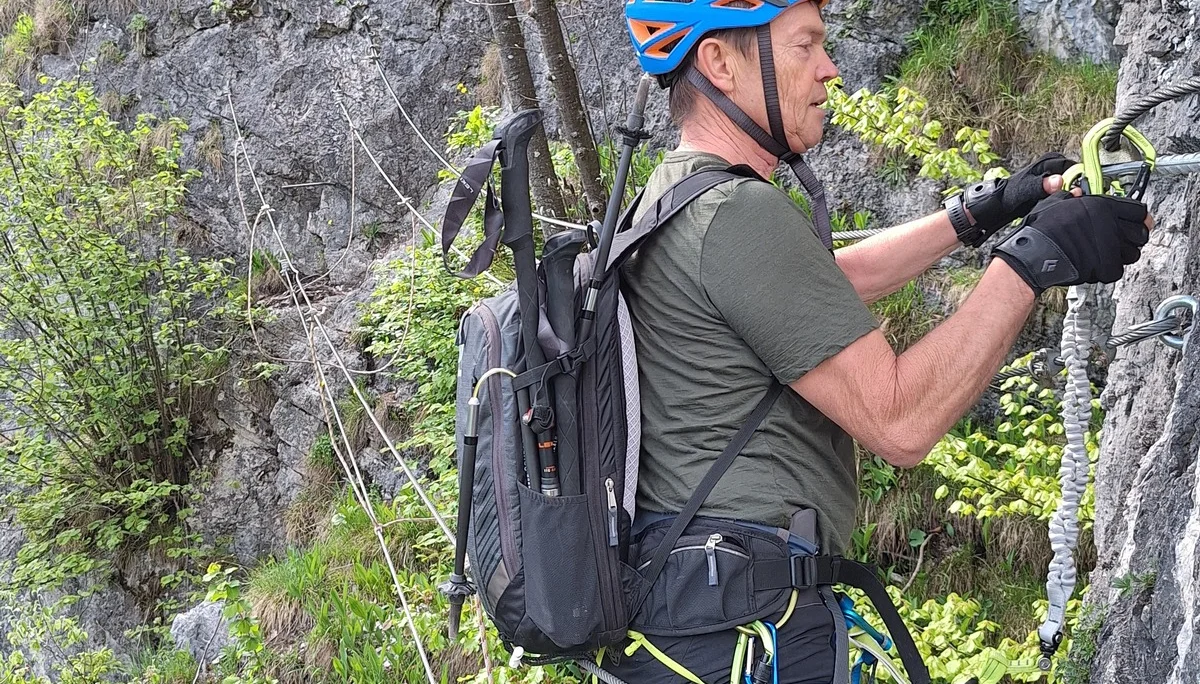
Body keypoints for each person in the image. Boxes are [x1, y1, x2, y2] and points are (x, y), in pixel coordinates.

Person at [608, 0, 1153, 681]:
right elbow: (900, 421)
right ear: (721, 62)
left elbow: (820, 286)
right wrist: (1033, 258)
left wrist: (979, 214)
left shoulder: (673, 197)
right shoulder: (736, 212)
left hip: (693, 613)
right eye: (805, 45)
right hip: (745, 624)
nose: (829, 69)